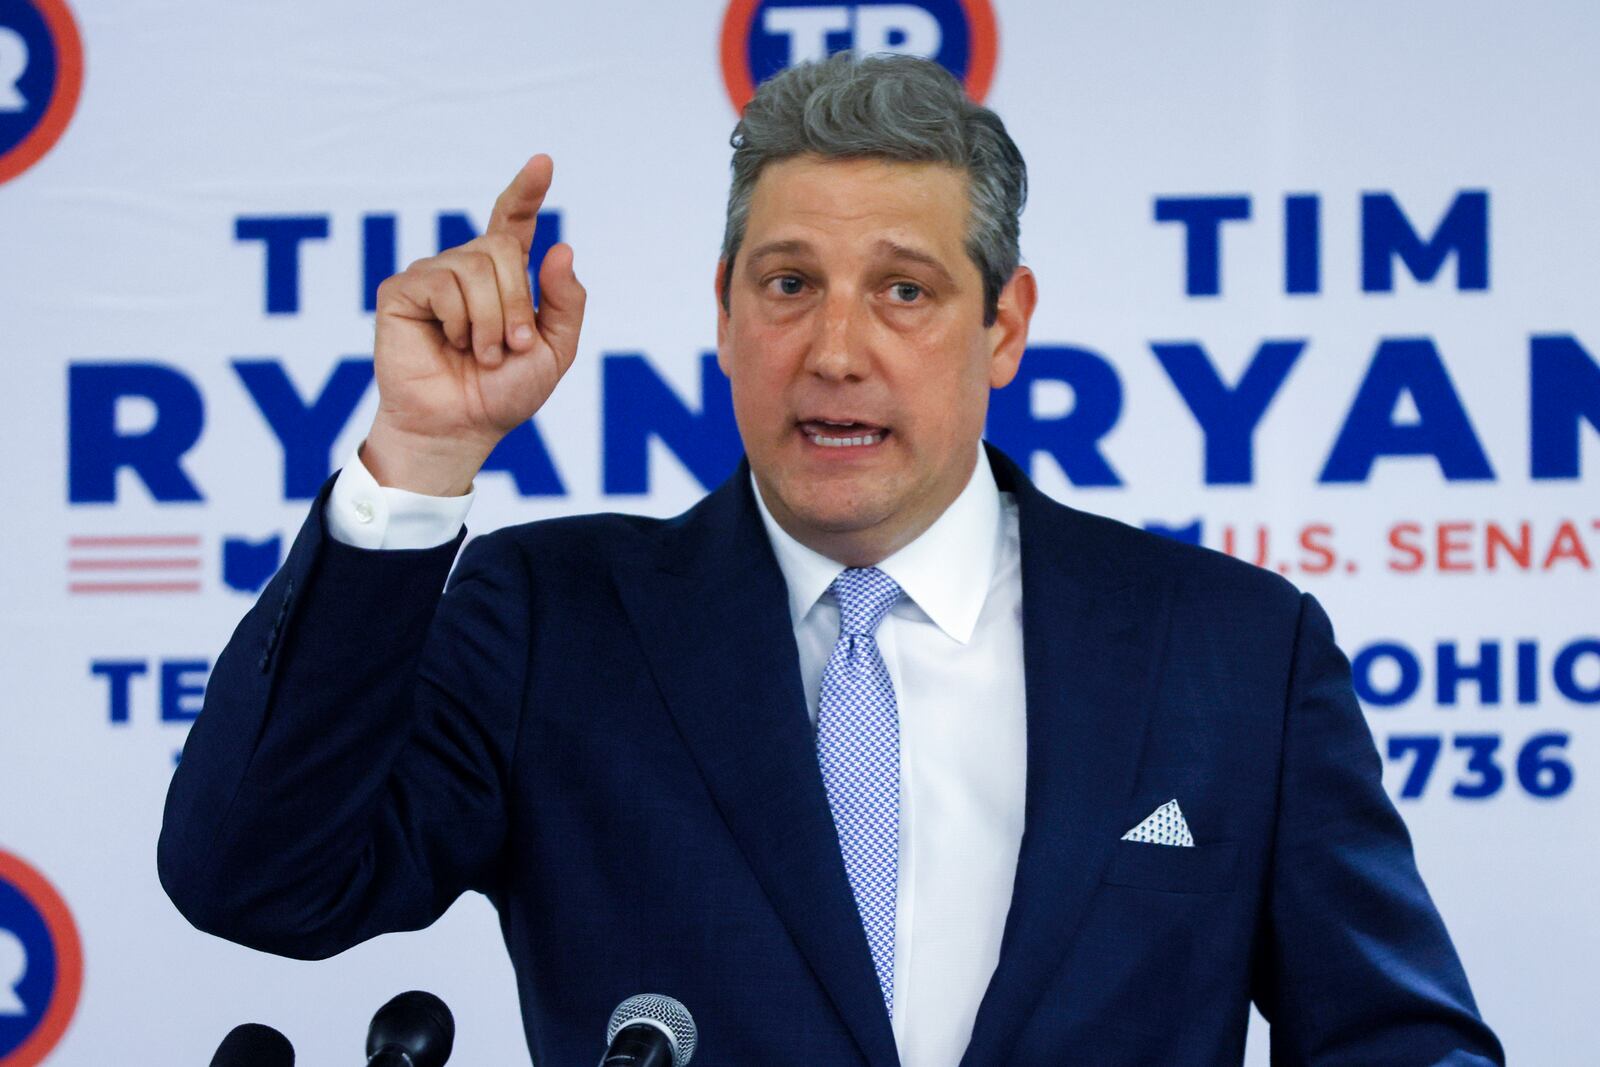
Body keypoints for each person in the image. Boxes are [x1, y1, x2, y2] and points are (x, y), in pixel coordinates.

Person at [159, 54, 1503, 1066]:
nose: (837, 349)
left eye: (905, 290)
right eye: (789, 284)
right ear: (727, 317)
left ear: (1006, 326)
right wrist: (420, 454)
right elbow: (262, 880)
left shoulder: (1233, 651)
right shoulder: (552, 620)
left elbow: (1400, 1042)